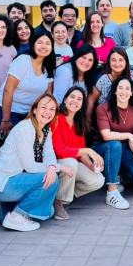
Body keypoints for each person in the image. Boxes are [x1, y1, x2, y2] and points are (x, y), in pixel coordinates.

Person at [0, 94, 73, 231]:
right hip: (2, 183)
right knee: (50, 179)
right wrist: (57, 167)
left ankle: (10, 211)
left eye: (52, 109)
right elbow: (31, 167)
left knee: (49, 211)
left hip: (17, 179)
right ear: (34, 109)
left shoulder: (45, 129)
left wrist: (51, 166)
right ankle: (16, 215)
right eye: (44, 107)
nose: (47, 112)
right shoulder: (26, 128)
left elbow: (49, 153)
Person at [51, 87, 105, 220]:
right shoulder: (57, 119)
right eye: (72, 97)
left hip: (71, 164)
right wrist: (88, 150)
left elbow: (80, 150)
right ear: (65, 100)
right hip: (54, 163)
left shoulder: (79, 123)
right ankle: (60, 201)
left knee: (98, 180)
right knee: (71, 162)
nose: (75, 101)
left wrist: (91, 166)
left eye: (79, 99)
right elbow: (60, 151)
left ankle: (64, 196)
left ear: (82, 105)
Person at [92, 76, 133, 210]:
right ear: (114, 91)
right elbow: (106, 135)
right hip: (102, 148)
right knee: (115, 144)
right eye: (120, 88)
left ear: (132, 93)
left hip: (123, 148)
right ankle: (112, 192)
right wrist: (129, 135)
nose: (123, 92)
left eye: (127, 89)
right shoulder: (103, 108)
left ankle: (119, 175)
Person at [0, 30, 55, 132]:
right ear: (33, 45)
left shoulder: (49, 67)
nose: (43, 46)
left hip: (29, 114)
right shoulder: (23, 61)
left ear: (52, 47)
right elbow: (8, 90)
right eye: (40, 42)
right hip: (7, 111)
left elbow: (48, 95)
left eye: (47, 43)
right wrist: (5, 120)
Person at [86, 47, 133, 115]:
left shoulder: (132, 75)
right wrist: (87, 124)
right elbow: (91, 102)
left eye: (121, 60)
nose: (117, 64)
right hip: (104, 114)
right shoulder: (102, 79)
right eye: (114, 60)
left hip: (126, 114)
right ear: (109, 61)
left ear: (126, 62)